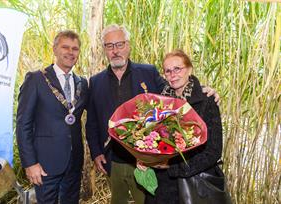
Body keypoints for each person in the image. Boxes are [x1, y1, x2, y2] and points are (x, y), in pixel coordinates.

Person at [86, 24, 220, 204]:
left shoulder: (148, 72)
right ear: (104, 49)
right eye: (109, 46)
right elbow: (92, 120)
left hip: (151, 165)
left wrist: (206, 90)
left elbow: (178, 89)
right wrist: (96, 152)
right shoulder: (95, 81)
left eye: (119, 44)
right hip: (113, 159)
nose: (115, 50)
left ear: (128, 45)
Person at [145, 49, 231, 204]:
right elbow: (153, 140)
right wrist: (145, 158)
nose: (172, 74)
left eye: (177, 69)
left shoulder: (206, 101)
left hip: (194, 183)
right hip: (162, 187)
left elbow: (213, 151)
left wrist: (173, 167)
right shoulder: (160, 102)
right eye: (168, 71)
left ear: (189, 69)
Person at [16, 30, 88, 204]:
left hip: (74, 162)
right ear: (55, 49)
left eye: (75, 49)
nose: (70, 52)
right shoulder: (36, 79)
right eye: (65, 47)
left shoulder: (82, 83)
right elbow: (23, 124)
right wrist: (30, 163)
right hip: (45, 164)